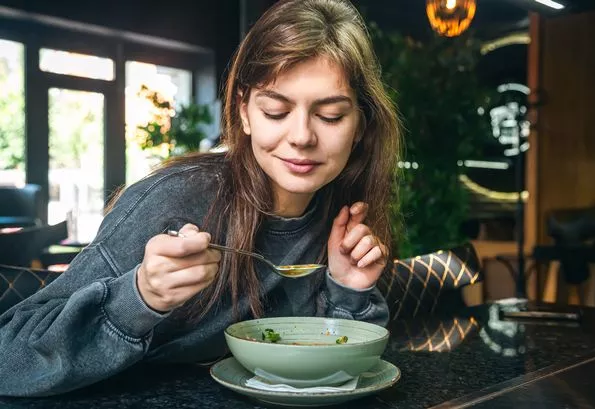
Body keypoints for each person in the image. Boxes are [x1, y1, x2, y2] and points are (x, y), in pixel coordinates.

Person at [0, 0, 401, 397]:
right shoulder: (174, 201)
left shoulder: (338, 215)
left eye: (330, 115)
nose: (301, 136)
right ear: (244, 113)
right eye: (275, 111)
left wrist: (347, 288)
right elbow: (9, 359)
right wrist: (140, 295)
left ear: (361, 125)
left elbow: (335, 373)